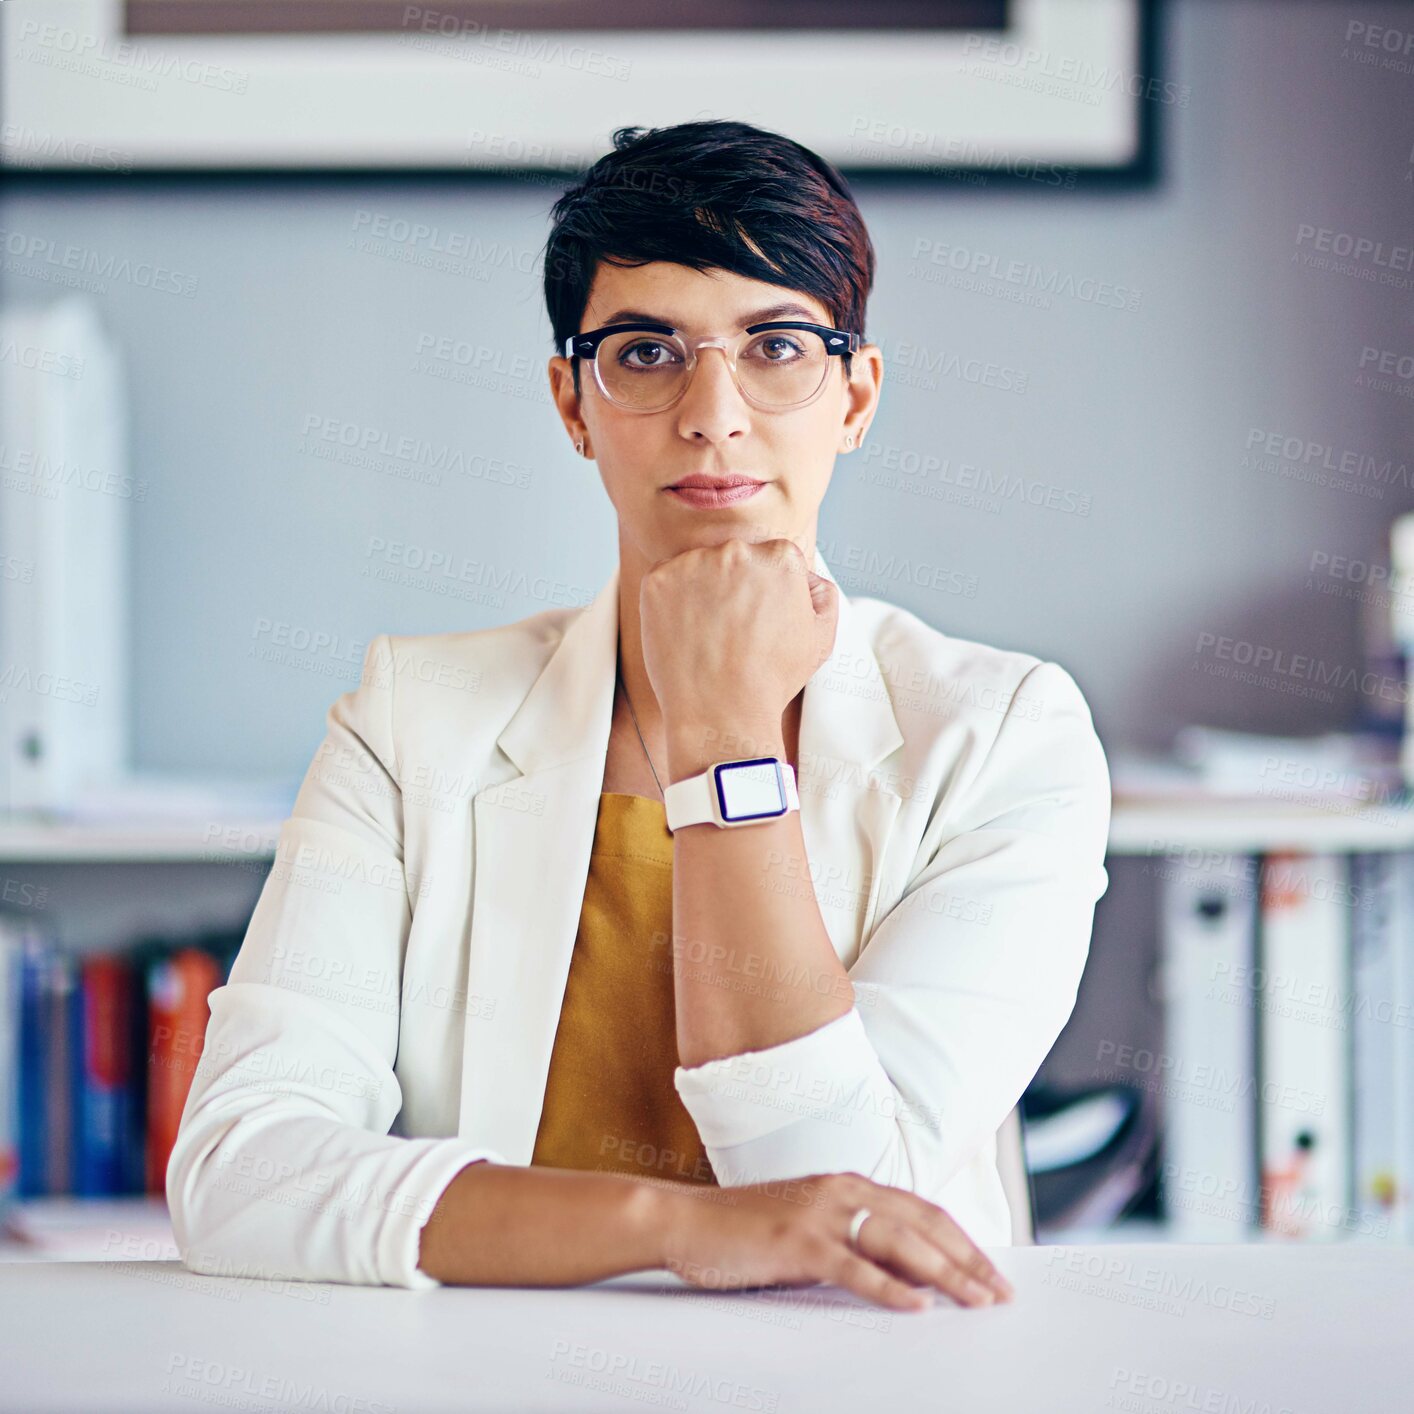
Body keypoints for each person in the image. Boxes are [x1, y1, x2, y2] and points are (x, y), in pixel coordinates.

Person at [168, 119, 1111, 1314]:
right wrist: (674, 1226)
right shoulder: (412, 719)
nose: (713, 413)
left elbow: (847, 1206)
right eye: (646, 352)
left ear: (855, 395)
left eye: (775, 345)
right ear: (572, 402)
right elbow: (239, 1172)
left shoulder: (1003, 733)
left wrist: (725, 734)